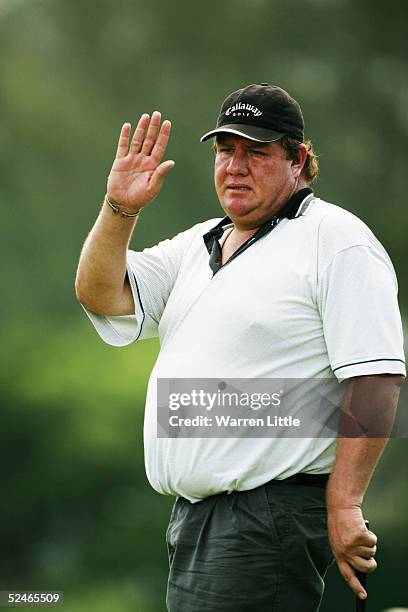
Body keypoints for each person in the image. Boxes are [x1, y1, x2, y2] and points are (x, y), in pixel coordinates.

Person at [75, 83, 405, 612]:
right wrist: (119, 208)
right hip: (196, 519)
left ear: (298, 159)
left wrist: (345, 504)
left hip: (266, 515)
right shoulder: (199, 241)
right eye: (226, 150)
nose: (236, 166)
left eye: (257, 151)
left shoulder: (337, 240)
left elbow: (375, 379)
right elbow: (99, 293)